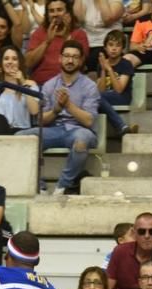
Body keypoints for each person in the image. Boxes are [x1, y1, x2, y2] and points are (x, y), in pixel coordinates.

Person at [18, 40, 98, 196]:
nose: (70, 60)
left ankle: (62, 187)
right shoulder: (49, 85)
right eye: (67, 56)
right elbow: (41, 120)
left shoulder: (89, 86)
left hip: (80, 130)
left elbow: (89, 120)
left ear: (81, 60)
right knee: (21, 137)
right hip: (55, 130)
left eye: (75, 57)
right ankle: (39, 186)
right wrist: (56, 110)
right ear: (60, 58)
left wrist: (68, 105)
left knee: (81, 142)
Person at [0, 45, 40, 135]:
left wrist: (23, 82)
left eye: (14, 59)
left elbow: (34, 111)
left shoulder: (29, 84)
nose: (10, 62)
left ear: (19, 62)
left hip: (19, 132)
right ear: (1, 62)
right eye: (6, 59)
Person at [25, 0, 89, 85]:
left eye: (59, 10)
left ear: (68, 13)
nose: (55, 14)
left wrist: (67, 35)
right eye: (51, 11)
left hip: (70, 85)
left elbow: (80, 62)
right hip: (41, 85)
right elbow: (28, 63)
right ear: (47, 15)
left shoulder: (79, 34)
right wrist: (47, 42)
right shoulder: (39, 33)